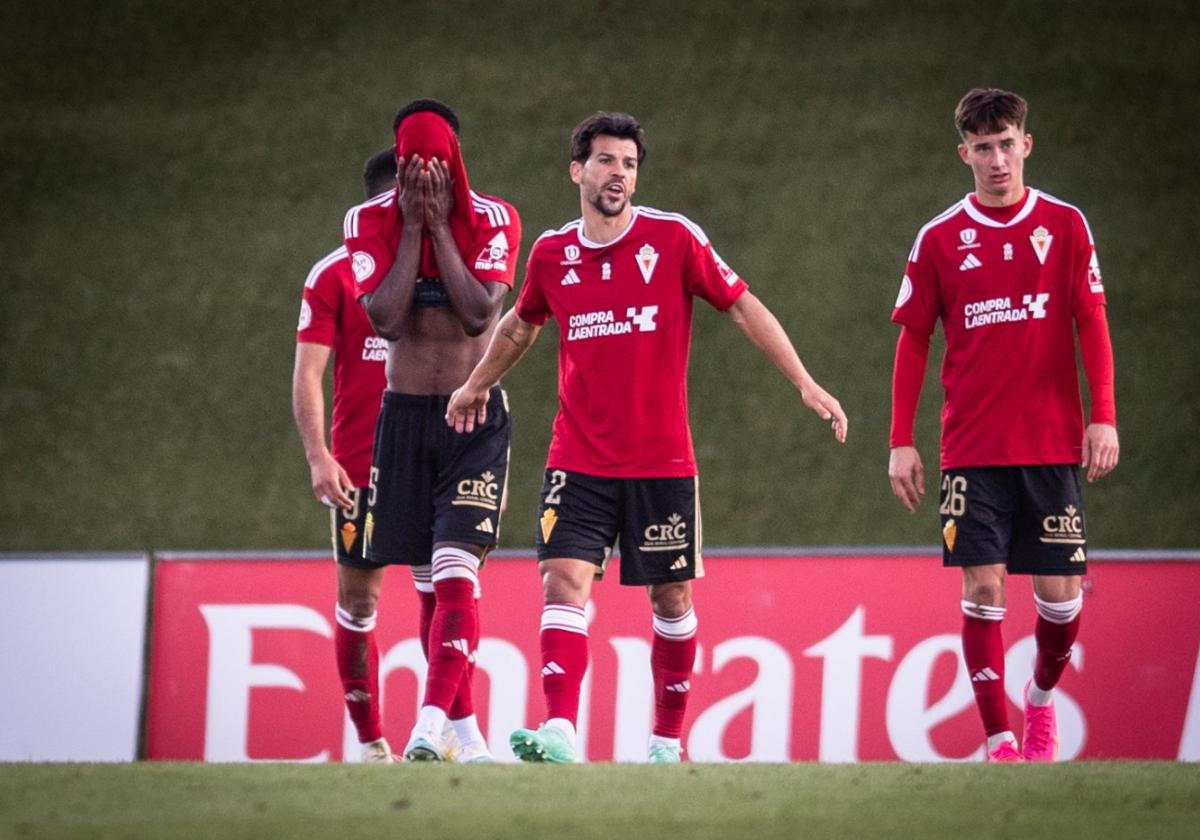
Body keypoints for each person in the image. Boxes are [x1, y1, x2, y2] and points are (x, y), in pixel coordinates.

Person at [445, 111, 847, 764]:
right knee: (562, 580)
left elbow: (742, 303)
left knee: (672, 596)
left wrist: (804, 381)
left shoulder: (674, 239)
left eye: (629, 164)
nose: (619, 175)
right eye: (606, 161)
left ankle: (665, 742)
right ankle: (562, 733)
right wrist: (476, 384)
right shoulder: (552, 254)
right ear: (578, 170)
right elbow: (521, 325)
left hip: (661, 461)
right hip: (578, 457)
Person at [887, 88, 1119, 762]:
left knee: (1060, 597)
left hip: (1050, 444)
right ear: (965, 154)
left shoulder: (1066, 224)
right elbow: (913, 341)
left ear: (1027, 145)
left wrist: (1102, 416)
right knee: (983, 586)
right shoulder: (939, 238)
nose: (996, 158)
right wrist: (901, 440)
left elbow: (1092, 321)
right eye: (982, 147)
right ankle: (999, 742)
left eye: (1006, 142)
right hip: (972, 449)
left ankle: (1041, 698)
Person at [343, 98, 521, 763]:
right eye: (412, 163)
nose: (423, 176)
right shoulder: (366, 222)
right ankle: (470, 743)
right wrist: (413, 229)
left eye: (435, 163)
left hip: (472, 416)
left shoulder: (495, 218)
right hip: (405, 417)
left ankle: (425, 725)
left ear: (455, 163)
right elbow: (386, 320)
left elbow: (480, 313)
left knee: (453, 573)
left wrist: (443, 229)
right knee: (426, 580)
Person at [293, 148, 399, 763]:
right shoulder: (333, 274)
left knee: (447, 590)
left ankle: (444, 732)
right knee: (360, 602)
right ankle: (371, 744)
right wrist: (318, 455)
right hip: (361, 469)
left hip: (435, 463)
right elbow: (308, 374)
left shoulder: (445, 260)